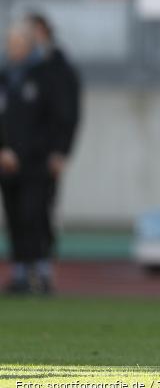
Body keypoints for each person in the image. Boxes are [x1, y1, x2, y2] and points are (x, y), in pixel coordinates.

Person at [0, 22, 67, 295]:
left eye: (17, 45)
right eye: (10, 44)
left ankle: (41, 272)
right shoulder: (4, 77)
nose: (12, 50)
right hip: (6, 163)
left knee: (35, 216)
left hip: (36, 162)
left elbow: (55, 120)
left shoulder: (46, 77)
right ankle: (19, 273)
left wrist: (54, 151)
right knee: (14, 217)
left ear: (29, 46)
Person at [27, 13, 81, 265]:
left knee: (42, 205)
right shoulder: (17, 68)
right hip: (22, 149)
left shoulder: (60, 67)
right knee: (21, 210)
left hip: (47, 150)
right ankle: (25, 266)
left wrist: (61, 150)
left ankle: (42, 264)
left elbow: (69, 113)